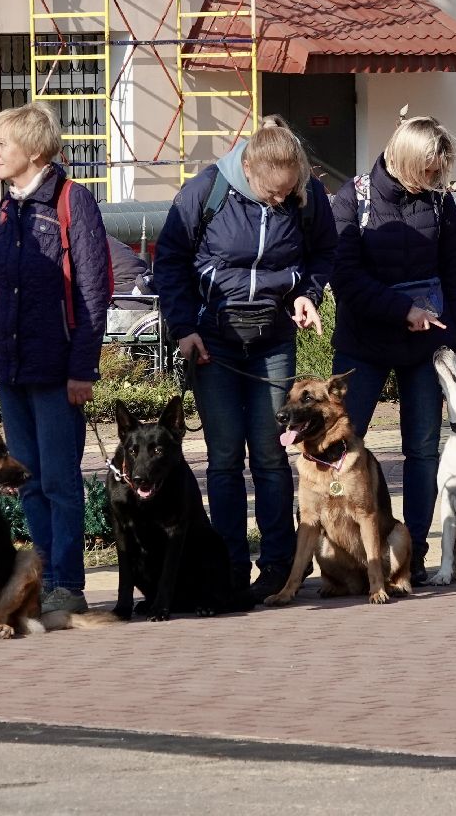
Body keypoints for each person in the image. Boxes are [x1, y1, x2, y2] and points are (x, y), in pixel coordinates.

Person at [152, 117, 336, 599]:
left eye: (287, 194)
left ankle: (277, 565)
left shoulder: (306, 195)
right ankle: (230, 564)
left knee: (273, 454)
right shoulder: (205, 192)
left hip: (274, 337)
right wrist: (185, 328)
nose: (280, 202)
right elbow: (169, 261)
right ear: (248, 167)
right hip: (213, 340)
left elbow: (324, 253)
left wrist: (307, 294)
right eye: (271, 195)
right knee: (225, 456)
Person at [0, 103, 110, 616]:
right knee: (25, 480)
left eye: (1, 144)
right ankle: (42, 577)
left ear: (33, 150)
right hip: (10, 370)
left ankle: (66, 583)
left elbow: (94, 291)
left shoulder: (74, 202)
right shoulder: (9, 209)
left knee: (60, 481)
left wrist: (82, 369)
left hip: (56, 371)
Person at [329, 116, 456, 585]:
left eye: (439, 173)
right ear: (404, 160)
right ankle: (340, 553)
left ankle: (410, 552)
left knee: (421, 450)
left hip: (426, 345)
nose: (435, 181)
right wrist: (401, 310)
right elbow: (346, 279)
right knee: (340, 445)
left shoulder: (439, 203)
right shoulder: (352, 199)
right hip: (364, 343)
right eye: (428, 171)